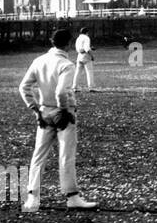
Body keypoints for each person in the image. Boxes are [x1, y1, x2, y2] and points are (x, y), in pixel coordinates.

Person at [18, 29, 98, 212]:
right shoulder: (66, 64)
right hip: (63, 113)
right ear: (69, 43)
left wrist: (35, 110)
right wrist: (63, 111)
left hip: (44, 111)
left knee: (38, 155)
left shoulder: (38, 61)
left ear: (52, 41)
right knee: (66, 156)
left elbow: (24, 87)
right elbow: (61, 92)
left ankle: (32, 198)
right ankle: (72, 196)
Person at [71, 26, 96, 92]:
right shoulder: (86, 38)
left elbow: (79, 48)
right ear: (87, 32)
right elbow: (87, 48)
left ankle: (74, 87)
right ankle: (91, 87)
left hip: (79, 55)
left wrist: (90, 48)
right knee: (89, 71)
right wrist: (92, 55)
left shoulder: (78, 38)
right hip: (86, 56)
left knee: (77, 72)